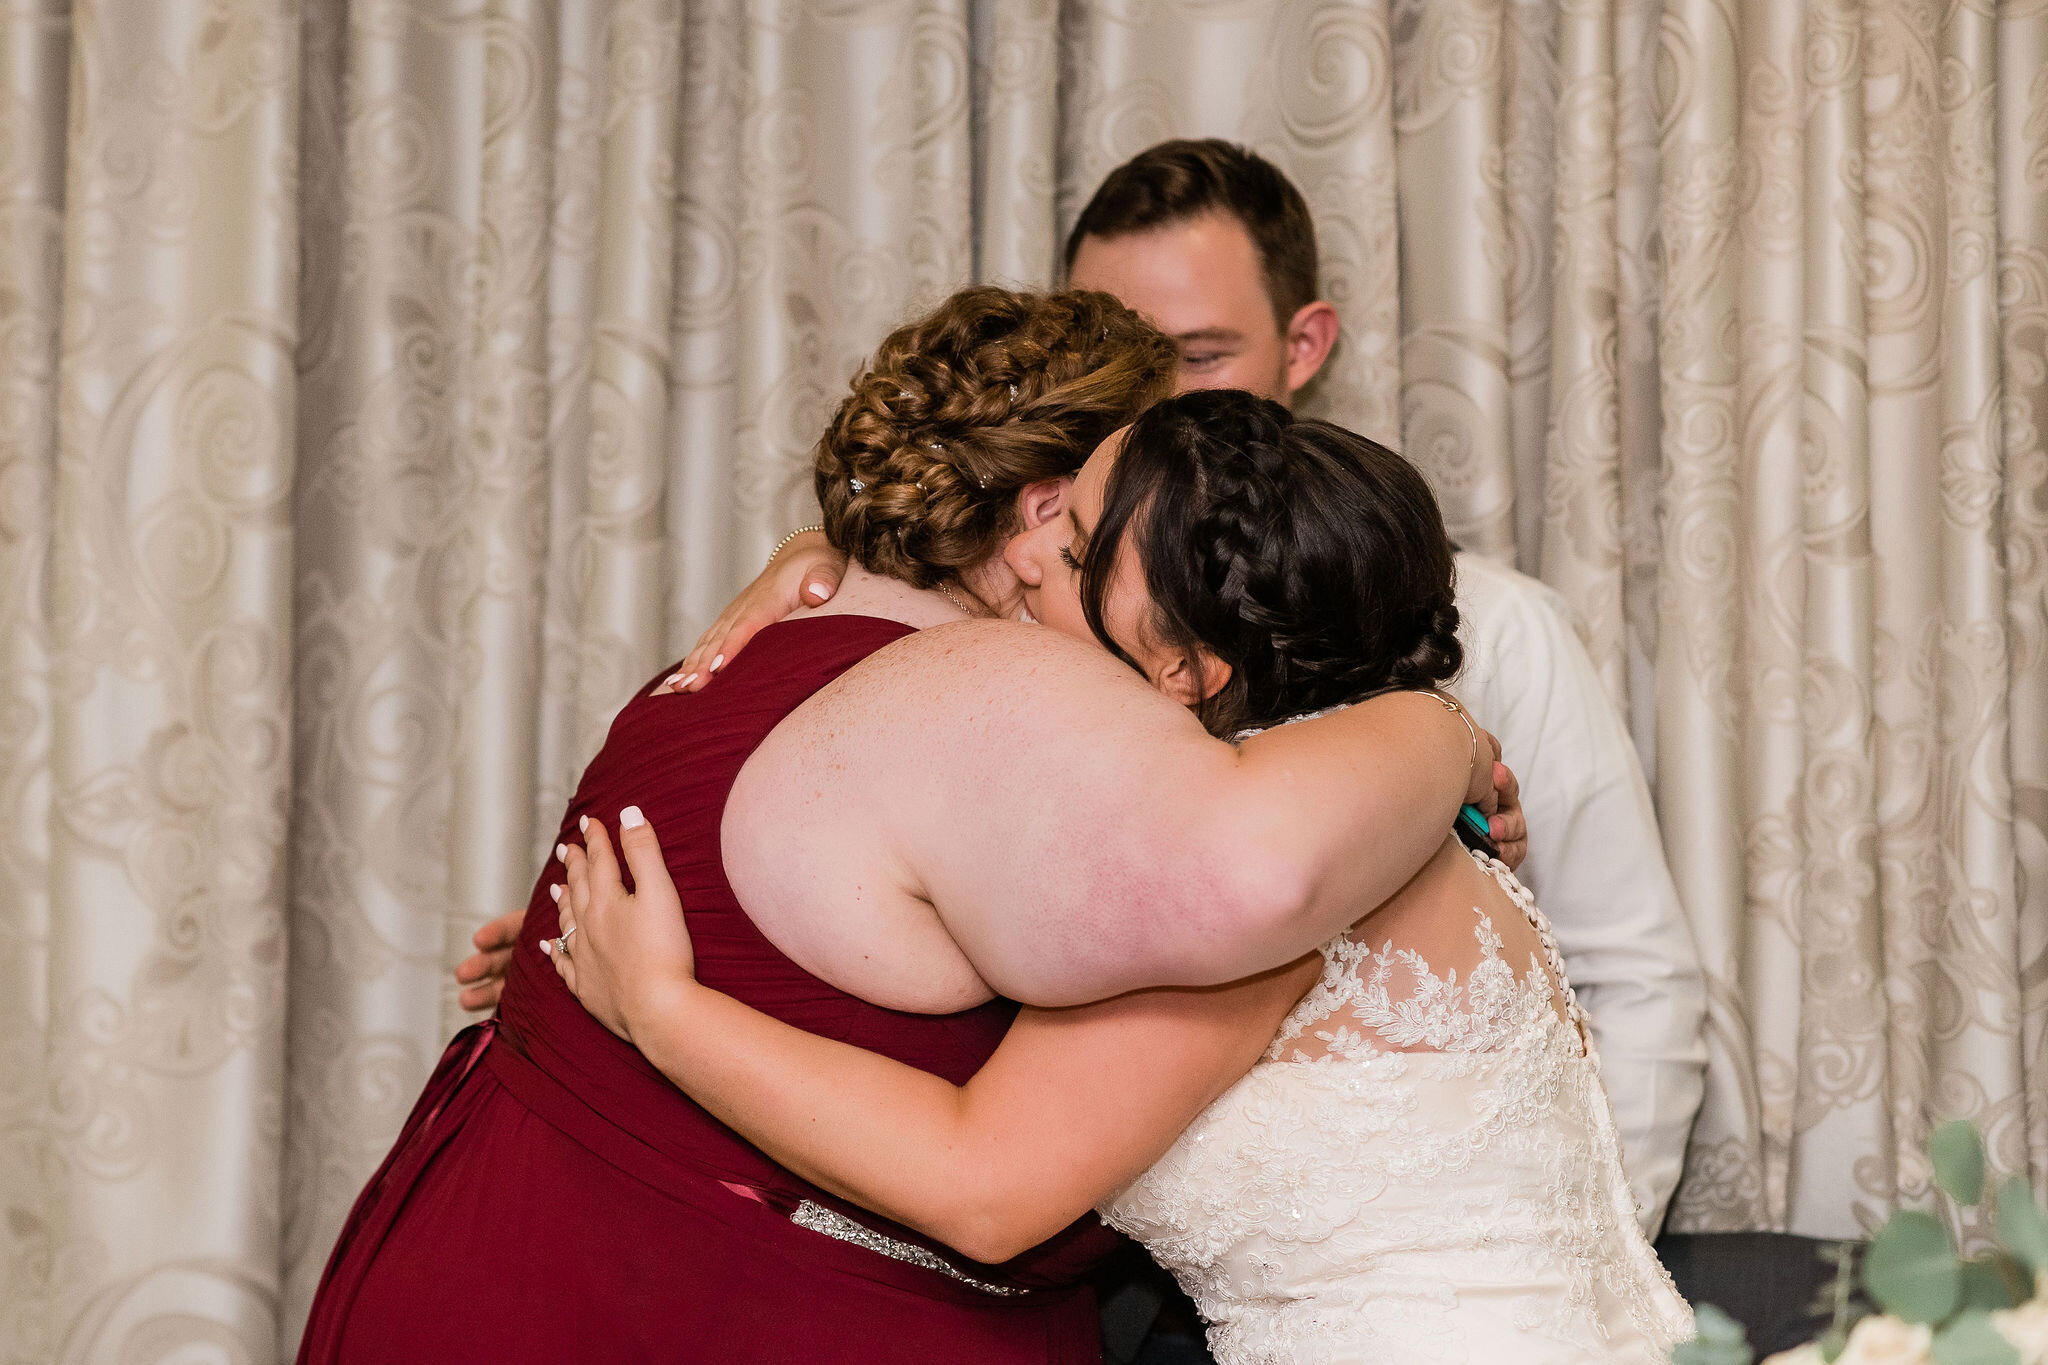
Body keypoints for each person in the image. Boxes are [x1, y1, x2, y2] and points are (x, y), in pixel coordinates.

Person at [301, 288, 1508, 1364]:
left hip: (468, 1238)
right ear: (1039, 508)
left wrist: (659, 1010)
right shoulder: (1039, 716)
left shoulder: (755, 653)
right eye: (1107, 508)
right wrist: (1439, 739)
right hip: (702, 1304)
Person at [551, 138, 1705, 1244]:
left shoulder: (1425, 689)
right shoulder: (1056, 644)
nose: (1138, 427)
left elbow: (1626, 983)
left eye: (1196, 360)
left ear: (1305, 346)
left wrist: (1581, 1259)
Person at [546, 390, 1696, 1364]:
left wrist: (663, 1008)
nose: (1034, 560)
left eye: (1086, 550)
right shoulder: (1373, 802)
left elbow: (983, 1184)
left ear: (1186, 668)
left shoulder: (1233, 880)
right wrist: (817, 561)